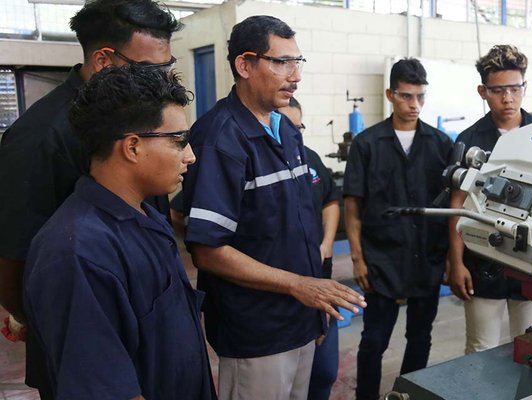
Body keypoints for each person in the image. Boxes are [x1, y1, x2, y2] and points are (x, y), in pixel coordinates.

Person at [0, 0, 181, 395]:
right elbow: (12, 257)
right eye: (152, 69)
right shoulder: (39, 139)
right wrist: (35, 318)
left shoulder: (145, 120)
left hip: (150, 320)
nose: (162, 80)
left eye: (167, 68)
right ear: (103, 59)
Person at [182, 15, 365, 400]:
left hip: (301, 318)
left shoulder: (285, 131)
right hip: (258, 330)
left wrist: (313, 308)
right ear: (244, 65)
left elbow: (298, 226)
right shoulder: (221, 139)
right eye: (281, 62)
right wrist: (301, 286)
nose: (295, 75)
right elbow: (207, 251)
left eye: (298, 61)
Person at [23, 65, 214, 399]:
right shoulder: (77, 253)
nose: (191, 156)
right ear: (132, 147)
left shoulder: (147, 219)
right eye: (179, 142)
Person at [343, 58, 452, 400]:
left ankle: (408, 396)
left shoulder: (440, 144)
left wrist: (450, 257)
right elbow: (352, 205)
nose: (414, 105)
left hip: (427, 258)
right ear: (391, 94)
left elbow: (452, 207)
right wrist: (359, 260)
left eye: (420, 96)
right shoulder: (367, 144)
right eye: (406, 96)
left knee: (420, 338)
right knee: (374, 340)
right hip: (381, 260)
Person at [448, 45, 532, 354]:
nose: (508, 98)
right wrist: (456, 262)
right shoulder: (470, 141)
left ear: (524, 88)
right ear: (483, 91)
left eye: (515, 89)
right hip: (483, 258)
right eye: (498, 90)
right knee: (480, 348)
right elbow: (456, 206)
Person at [278, 97, 342, 400]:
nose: (293, 134)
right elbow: (180, 213)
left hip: (320, 287)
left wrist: (327, 243)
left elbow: (330, 198)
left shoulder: (310, 157)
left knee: (324, 372)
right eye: (284, 126)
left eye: (298, 127)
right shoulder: (248, 160)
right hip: (277, 295)